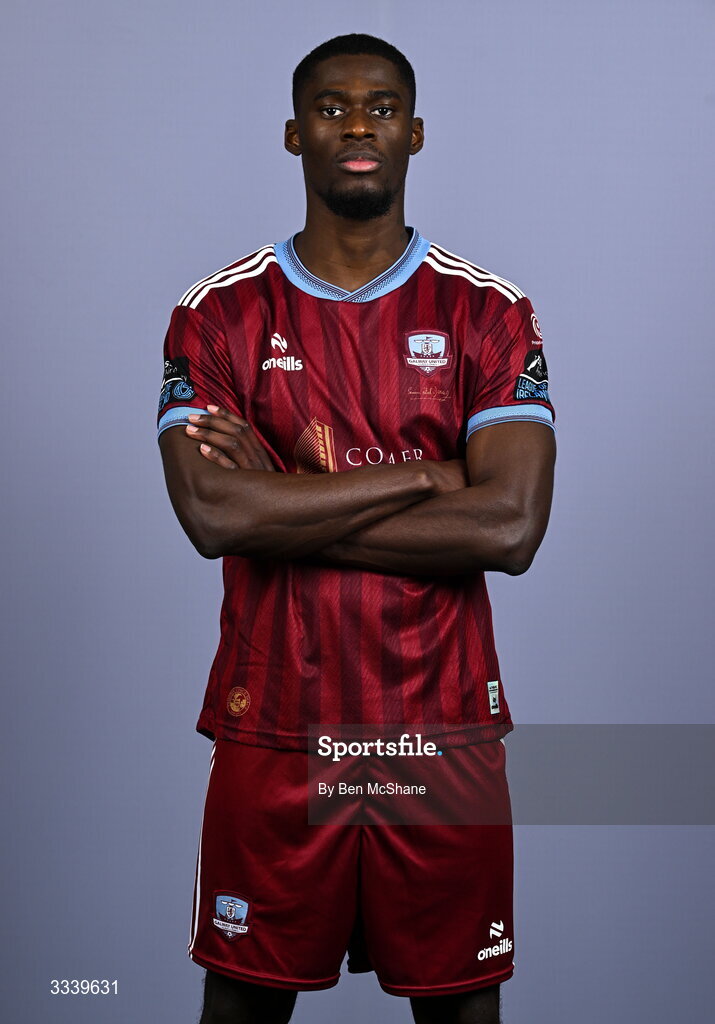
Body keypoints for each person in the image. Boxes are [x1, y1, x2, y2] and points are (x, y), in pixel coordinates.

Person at [157, 32, 555, 1024]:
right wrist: (431, 477)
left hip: (444, 729)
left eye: (380, 107)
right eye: (331, 108)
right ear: (295, 135)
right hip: (277, 730)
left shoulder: (487, 313)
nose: (357, 125)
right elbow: (213, 514)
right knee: (242, 1006)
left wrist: (282, 508)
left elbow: (508, 526)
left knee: (460, 1011)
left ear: (414, 133)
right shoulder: (216, 315)